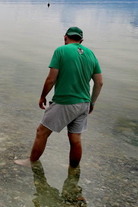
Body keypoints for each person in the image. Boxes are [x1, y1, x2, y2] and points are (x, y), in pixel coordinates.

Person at [16, 27, 103, 168]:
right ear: (81, 40)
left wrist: (43, 96)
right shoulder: (91, 54)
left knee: (41, 132)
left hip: (65, 101)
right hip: (84, 103)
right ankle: (73, 169)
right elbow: (99, 82)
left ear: (65, 37)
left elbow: (51, 79)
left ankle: (31, 162)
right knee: (75, 138)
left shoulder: (61, 51)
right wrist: (92, 103)